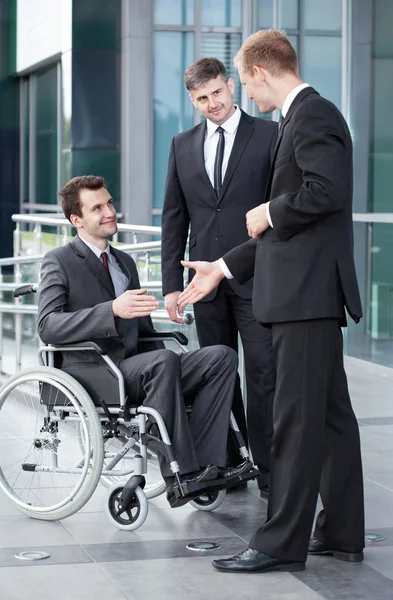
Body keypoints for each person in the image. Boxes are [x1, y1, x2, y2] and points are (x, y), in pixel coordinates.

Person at [178, 30, 365, 572]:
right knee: (331, 421)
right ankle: (341, 531)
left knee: (294, 424)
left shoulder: (312, 115)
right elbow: (289, 229)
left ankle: (279, 543)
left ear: (259, 71)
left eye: (246, 81)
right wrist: (221, 267)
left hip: (304, 301)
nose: (246, 96)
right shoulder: (298, 119)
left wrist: (271, 210)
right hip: (305, 296)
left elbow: (326, 192)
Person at [37, 175, 253, 508]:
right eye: (97, 208)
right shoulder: (59, 261)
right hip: (95, 370)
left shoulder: (123, 262)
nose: (109, 212)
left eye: (109, 203)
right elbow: (48, 326)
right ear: (76, 220)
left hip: (142, 366)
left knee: (221, 357)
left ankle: (212, 463)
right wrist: (111, 310)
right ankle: (180, 473)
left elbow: (144, 330)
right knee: (163, 362)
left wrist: (167, 324)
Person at [161, 58, 277, 495]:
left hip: (258, 276)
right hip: (201, 283)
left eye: (216, 93)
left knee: (265, 372)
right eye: (201, 99)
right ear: (192, 101)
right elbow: (175, 219)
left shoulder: (269, 135)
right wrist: (172, 286)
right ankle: (231, 464)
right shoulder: (180, 145)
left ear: (232, 86)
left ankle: (267, 468)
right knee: (218, 375)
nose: (211, 104)